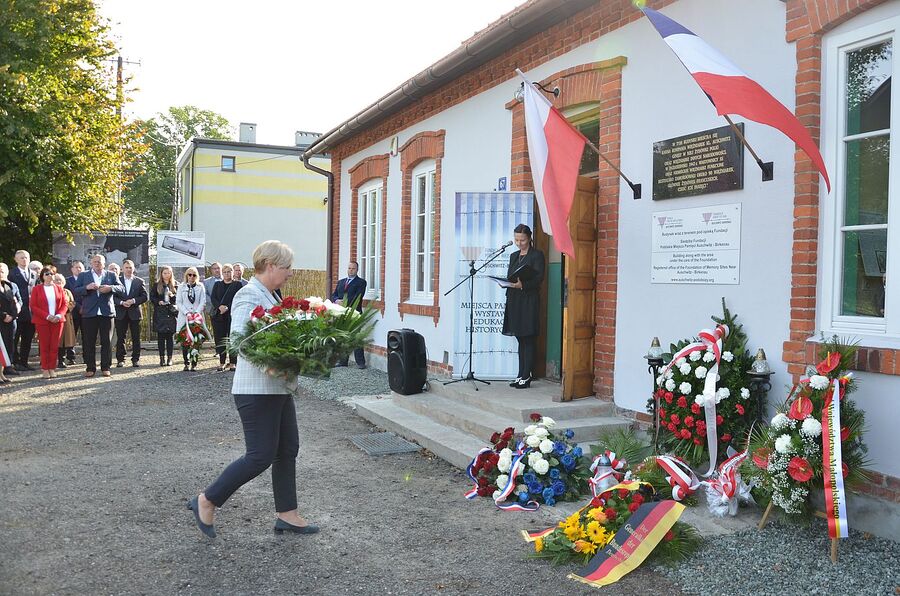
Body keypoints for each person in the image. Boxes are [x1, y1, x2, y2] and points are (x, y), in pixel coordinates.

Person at [188, 240, 318, 539]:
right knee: (260, 456)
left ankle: (287, 514)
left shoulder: (270, 294)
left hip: (277, 388)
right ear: (270, 265)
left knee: (287, 449)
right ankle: (206, 500)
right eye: (287, 267)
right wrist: (274, 366)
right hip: (258, 389)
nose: (290, 273)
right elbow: (241, 340)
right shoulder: (248, 294)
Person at [502, 224, 545, 389]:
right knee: (520, 338)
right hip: (514, 300)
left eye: (523, 240)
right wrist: (506, 283)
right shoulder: (513, 255)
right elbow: (510, 276)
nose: (519, 243)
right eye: (516, 240)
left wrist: (523, 285)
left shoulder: (537, 255)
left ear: (530, 238)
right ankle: (520, 375)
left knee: (528, 338)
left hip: (528, 300)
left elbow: (539, 278)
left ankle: (527, 376)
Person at [73, 254, 124, 378]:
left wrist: (110, 288)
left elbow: (121, 288)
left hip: (106, 312)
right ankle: (90, 368)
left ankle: (105, 367)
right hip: (89, 313)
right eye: (95, 261)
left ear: (104, 264)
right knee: (89, 341)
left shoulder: (111, 275)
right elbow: (76, 290)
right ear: (91, 263)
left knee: (106, 341)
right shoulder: (83, 275)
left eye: (99, 262)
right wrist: (87, 287)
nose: (97, 263)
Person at [30, 266, 67, 379]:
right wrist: (47, 316)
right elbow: (33, 306)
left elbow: (64, 304)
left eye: (52, 273)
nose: (50, 276)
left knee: (54, 346)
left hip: (57, 321)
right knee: (44, 345)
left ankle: (52, 368)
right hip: (43, 321)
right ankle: (45, 369)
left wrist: (58, 315)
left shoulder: (59, 288)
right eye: (47, 274)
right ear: (42, 276)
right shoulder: (37, 289)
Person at [330, 260, 367, 369]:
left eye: (353, 268)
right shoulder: (341, 282)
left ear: (357, 270)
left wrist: (345, 302)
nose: (351, 270)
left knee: (356, 337)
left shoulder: (361, 282)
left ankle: (360, 362)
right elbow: (334, 295)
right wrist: (336, 300)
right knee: (342, 337)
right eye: (349, 268)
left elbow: (358, 296)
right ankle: (343, 361)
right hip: (341, 314)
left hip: (354, 313)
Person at [114, 259, 148, 368]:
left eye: (130, 268)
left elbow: (144, 297)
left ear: (134, 269)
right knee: (121, 337)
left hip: (135, 313)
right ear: (122, 269)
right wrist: (121, 302)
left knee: (136, 337)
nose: (128, 269)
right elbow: (113, 297)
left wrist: (133, 301)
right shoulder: (117, 280)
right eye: (126, 267)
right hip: (121, 312)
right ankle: (120, 359)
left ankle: (135, 359)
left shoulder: (139, 281)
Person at [175, 267, 209, 371]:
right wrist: (187, 313)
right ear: (186, 276)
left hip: (196, 318)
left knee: (196, 340)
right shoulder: (181, 286)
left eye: (194, 275)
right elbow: (178, 302)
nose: (191, 277)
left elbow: (203, 301)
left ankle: (194, 362)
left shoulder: (200, 286)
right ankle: (186, 362)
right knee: (185, 340)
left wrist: (196, 313)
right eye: (189, 275)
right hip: (184, 317)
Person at [210, 264, 242, 372]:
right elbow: (213, 298)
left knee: (232, 338)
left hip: (232, 315)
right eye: (225, 272)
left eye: (229, 271)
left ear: (232, 272)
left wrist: (227, 307)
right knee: (220, 339)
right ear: (222, 273)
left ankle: (233, 362)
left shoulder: (237, 285)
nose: (227, 274)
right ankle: (222, 362)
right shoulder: (217, 284)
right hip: (219, 315)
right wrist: (219, 307)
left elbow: (238, 298)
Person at [9, 250, 36, 371]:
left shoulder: (34, 274)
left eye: (26, 257)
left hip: (31, 311)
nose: (24, 260)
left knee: (28, 338)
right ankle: (15, 362)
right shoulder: (12, 274)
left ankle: (24, 361)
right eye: (21, 258)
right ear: (16, 259)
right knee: (15, 338)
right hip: (18, 310)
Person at [150, 266, 178, 367]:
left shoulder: (176, 285)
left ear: (171, 274)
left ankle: (170, 358)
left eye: (168, 273)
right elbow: (152, 297)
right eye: (165, 273)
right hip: (160, 314)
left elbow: (179, 299)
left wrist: (172, 296)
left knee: (170, 337)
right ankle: (161, 358)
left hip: (171, 313)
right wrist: (158, 302)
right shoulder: (156, 285)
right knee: (161, 337)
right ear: (161, 274)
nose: (166, 275)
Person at [0, 263, 21, 381]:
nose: (1, 273)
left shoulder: (8, 285)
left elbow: (15, 302)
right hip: (1, 320)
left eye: (2, 271)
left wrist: (13, 315)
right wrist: (3, 315)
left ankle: (3, 372)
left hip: (10, 320)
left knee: (8, 345)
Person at [52, 274, 76, 369]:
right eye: (56, 280)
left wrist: (65, 309)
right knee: (55, 340)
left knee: (64, 341)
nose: (59, 282)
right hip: (53, 318)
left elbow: (72, 303)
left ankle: (62, 360)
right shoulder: (50, 291)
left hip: (66, 318)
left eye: (60, 280)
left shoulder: (67, 292)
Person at [65, 260, 85, 365]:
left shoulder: (87, 280)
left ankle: (87, 356)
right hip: (73, 311)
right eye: (76, 267)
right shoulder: (67, 281)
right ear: (72, 269)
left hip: (86, 311)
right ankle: (71, 357)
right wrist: (78, 307)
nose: (79, 269)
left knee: (87, 335)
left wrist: (84, 307)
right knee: (72, 335)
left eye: (80, 267)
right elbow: (68, 297)